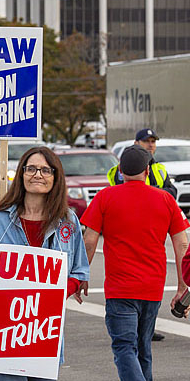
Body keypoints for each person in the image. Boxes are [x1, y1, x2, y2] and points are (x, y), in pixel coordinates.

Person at [0, 146, 90, 381]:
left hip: (44, 334)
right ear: (21, 174)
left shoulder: (68, 221)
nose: (38, 175)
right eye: (31, 169)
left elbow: (79, 271)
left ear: (55, 178)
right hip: (3, 333)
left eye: (46, 170)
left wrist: (59, 292)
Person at [80, 145, 189, 381]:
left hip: (120, 290)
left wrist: (82, 275)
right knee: (142, 350)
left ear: (120, 171)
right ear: (148, 171)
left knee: (124, 347)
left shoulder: (104, 197)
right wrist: (182, 286)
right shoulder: (166, 199)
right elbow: (182, 245)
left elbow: (89, 240)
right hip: (152, 289)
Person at [107, 128, 177, 199]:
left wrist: (152, 191)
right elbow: (127, 192)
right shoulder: (127, 165)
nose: (150, 145)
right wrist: (155, 192)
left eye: (153, 141)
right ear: (136, 143)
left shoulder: (159, 168)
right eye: (146, 141)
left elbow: (172, 192)